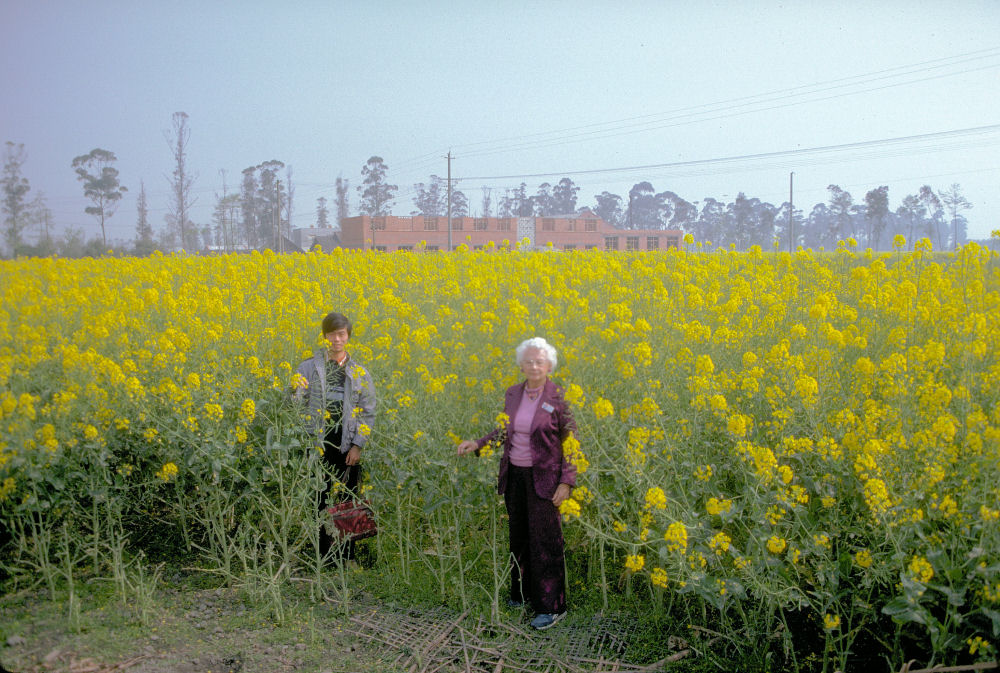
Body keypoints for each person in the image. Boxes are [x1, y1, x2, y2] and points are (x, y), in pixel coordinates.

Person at [457, 337, 578, 630]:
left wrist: (567, 482)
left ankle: (551, 606)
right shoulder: (513, 393)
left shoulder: (559, 397)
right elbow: (503, 430)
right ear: (521, 364)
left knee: (546, 542)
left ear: (549, 365)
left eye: (540, 361)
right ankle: (521, 594)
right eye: (528, 361)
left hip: (546, 481)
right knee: (519, 538)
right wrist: (478, 443)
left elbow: (571, 442)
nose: (534, 366)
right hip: (515, 477)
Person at [293, 311, 376, 559]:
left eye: (341, 334)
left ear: (348, 337)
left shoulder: (360, 373)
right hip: (318, 442)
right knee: (319, 497)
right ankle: (322, 555)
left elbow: (368, 413)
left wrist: (358, 445)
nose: (336, 339)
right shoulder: (308, 367)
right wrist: (294, 391)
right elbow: (295, 404)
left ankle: (346, 556)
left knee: (347, 501)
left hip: (346, 444)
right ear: (324, 336)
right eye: (331, 334)